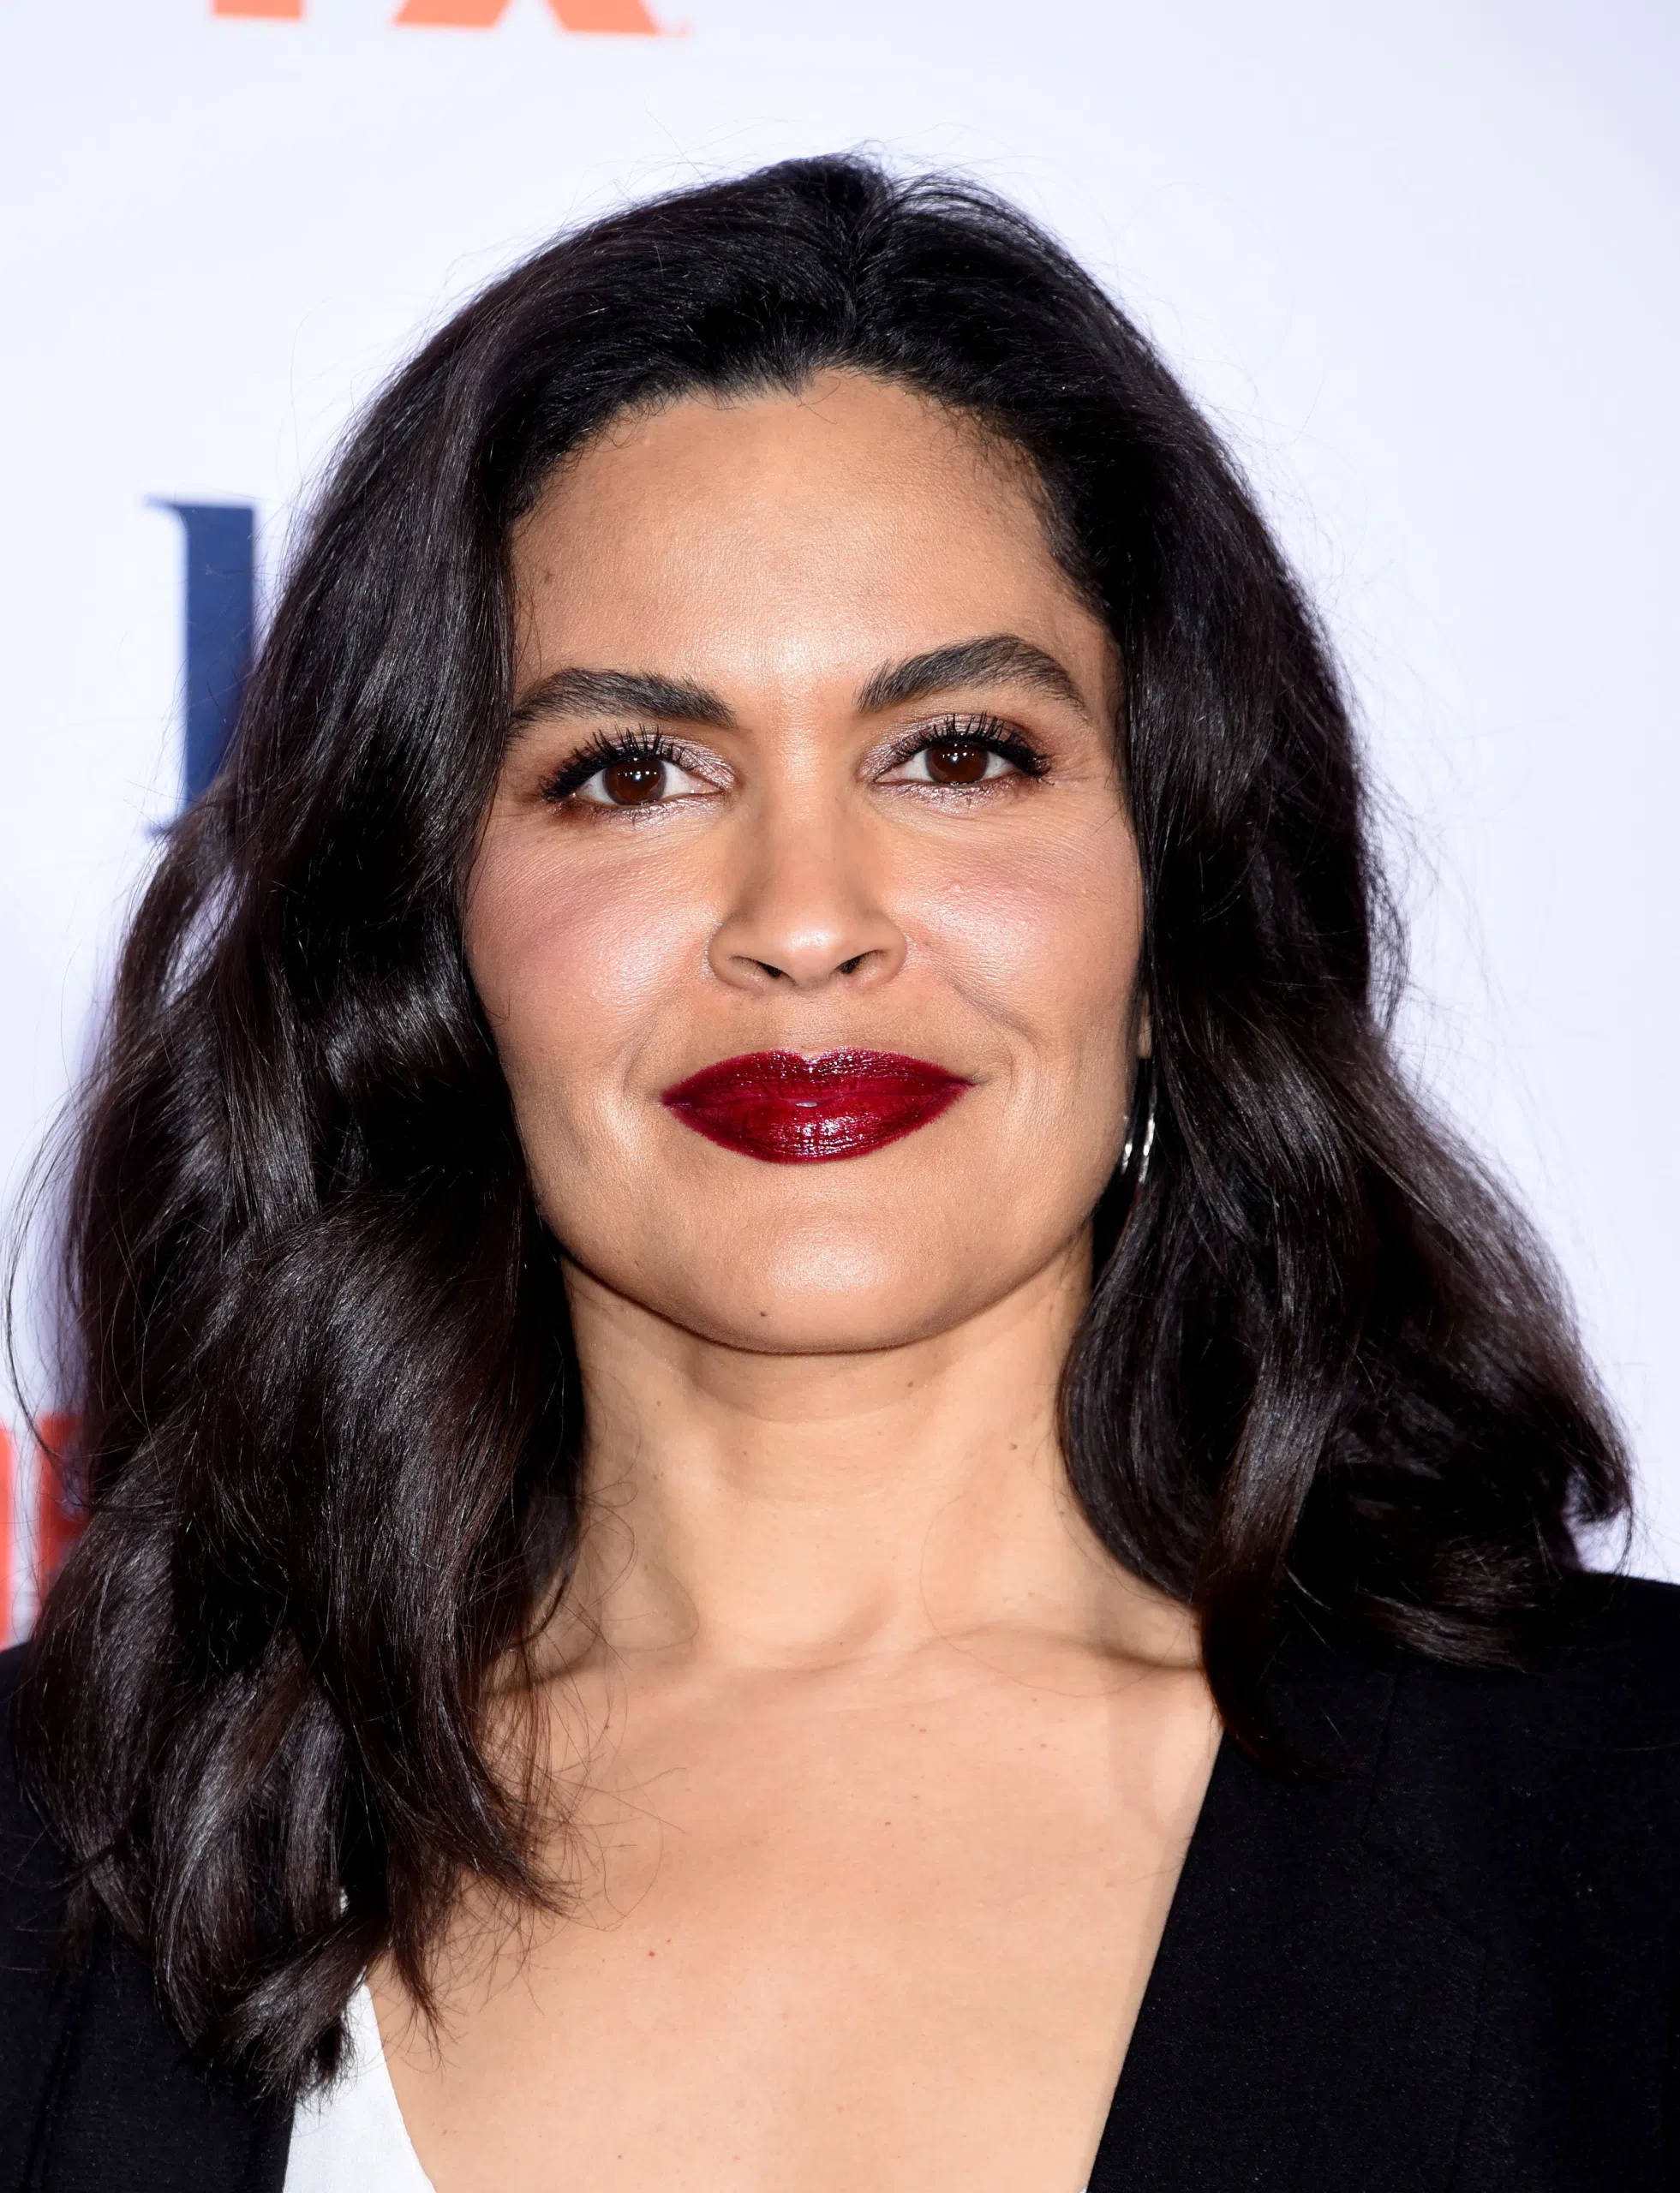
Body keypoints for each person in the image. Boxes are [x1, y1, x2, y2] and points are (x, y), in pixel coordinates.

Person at [0, 154, 1674, 2193]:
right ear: (432, 944)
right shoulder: (59, 1842)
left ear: (1173, 900)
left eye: (955, 752)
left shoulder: (1627, 1812)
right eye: (630, 771)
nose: (803, 918)